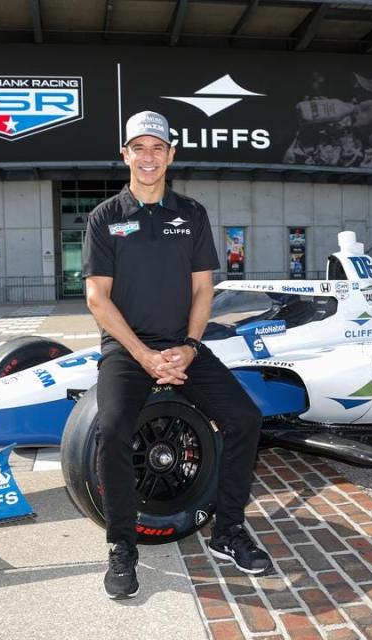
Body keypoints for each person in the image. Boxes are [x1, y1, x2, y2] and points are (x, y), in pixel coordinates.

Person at [82, 111, 272, 600]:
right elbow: (97, 299)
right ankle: (123, 547)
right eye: (138, 148)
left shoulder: (191, 213)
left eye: (157, 148)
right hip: (127, 349)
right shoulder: (105, 217)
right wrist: (144, 355)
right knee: (113, 428)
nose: (148, 157)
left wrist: (188, 346)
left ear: (170, 155)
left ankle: (228, 530)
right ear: (124, 154)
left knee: (245, 418)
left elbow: (204, 288)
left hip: (184, 346)